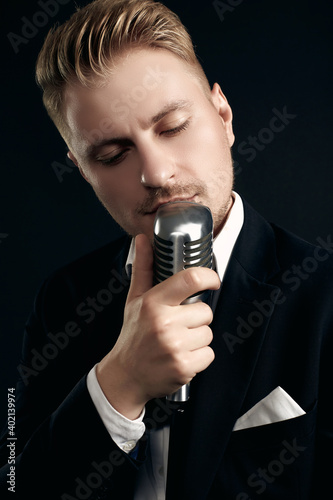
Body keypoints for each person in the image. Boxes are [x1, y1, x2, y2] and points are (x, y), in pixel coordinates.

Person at [0, 0, 332, 498]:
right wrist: (120, 384)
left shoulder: (324, 296)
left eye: (173, 127)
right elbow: (15, 483)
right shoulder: (63, 299)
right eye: (112, 155)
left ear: (223, 116)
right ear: (82, 169)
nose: (156, 174)